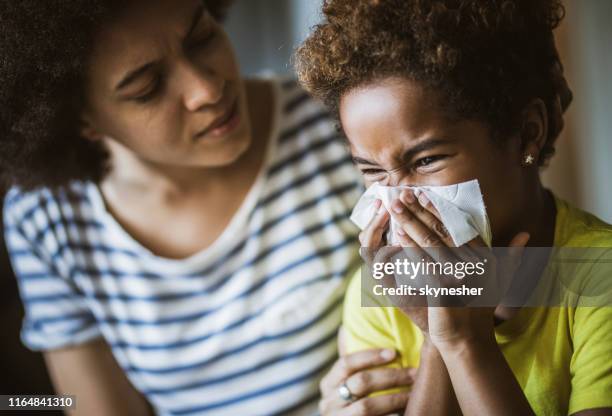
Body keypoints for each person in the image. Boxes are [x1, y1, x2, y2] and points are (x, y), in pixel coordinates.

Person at [0, 0, 411, 414]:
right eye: (147, 88)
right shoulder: (46, 221)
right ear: (82, 121)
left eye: (201, 37)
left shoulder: (344, 125)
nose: (207, 89)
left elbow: (472, 280)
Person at [296, 0, 612, 415]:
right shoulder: (379, 293)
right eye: (373, 170)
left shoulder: (599, 275)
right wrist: (435, 338)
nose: (398, 201)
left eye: (426, 161)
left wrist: (465, 342)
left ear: (527, 134)